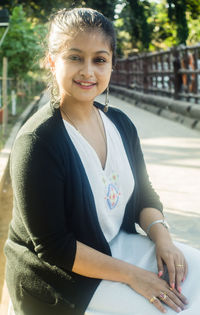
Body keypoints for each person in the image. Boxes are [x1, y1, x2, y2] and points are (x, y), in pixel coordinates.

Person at [4, 8, 200, 315]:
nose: (88, 71)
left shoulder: (120, 124)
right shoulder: (38, 142)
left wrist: (164, 240)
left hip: (119, 247)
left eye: (99, 59)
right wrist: (135, 276)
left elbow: (143, 196)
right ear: (52, 61)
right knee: (173, 311)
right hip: (64, 277)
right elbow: (55, 247)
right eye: (75, 57)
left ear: (111, 65)